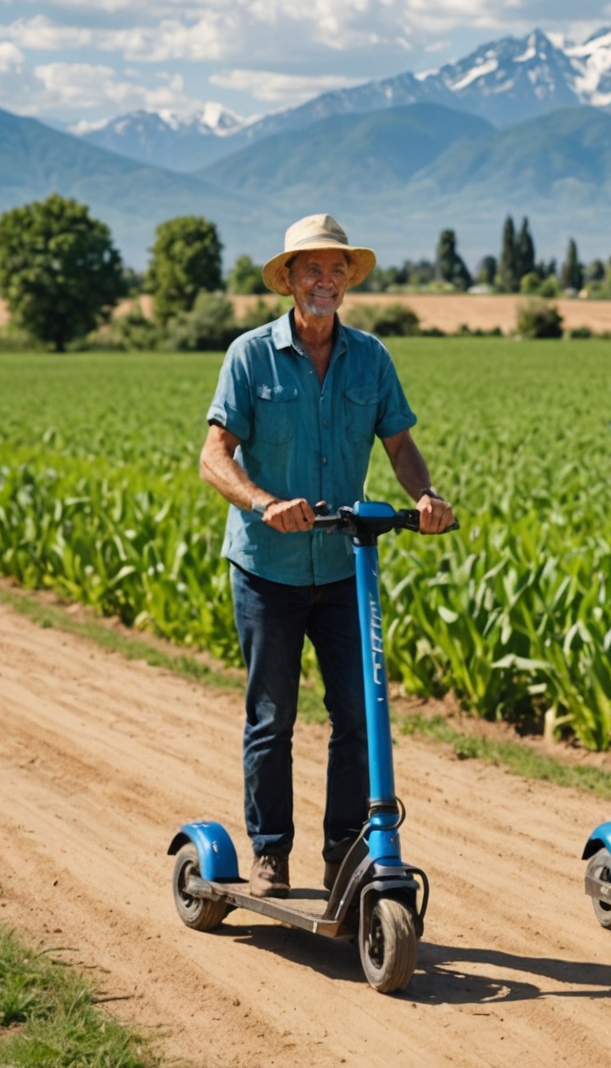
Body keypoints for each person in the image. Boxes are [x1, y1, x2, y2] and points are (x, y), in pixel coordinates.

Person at [199, 213, 456, 898]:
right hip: (267, 568)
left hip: (345, 569)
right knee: (272, 717)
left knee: (358, 712)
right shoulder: (250, 356)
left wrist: (427, 497)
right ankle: (270, 852)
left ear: (349, 279)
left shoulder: (370, 357)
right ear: (287, 280)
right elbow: (213, 456)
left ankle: (344, 850)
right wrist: (262, 502)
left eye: (336, 269)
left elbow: (399, 445)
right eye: (310, 268)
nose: (325, 280)